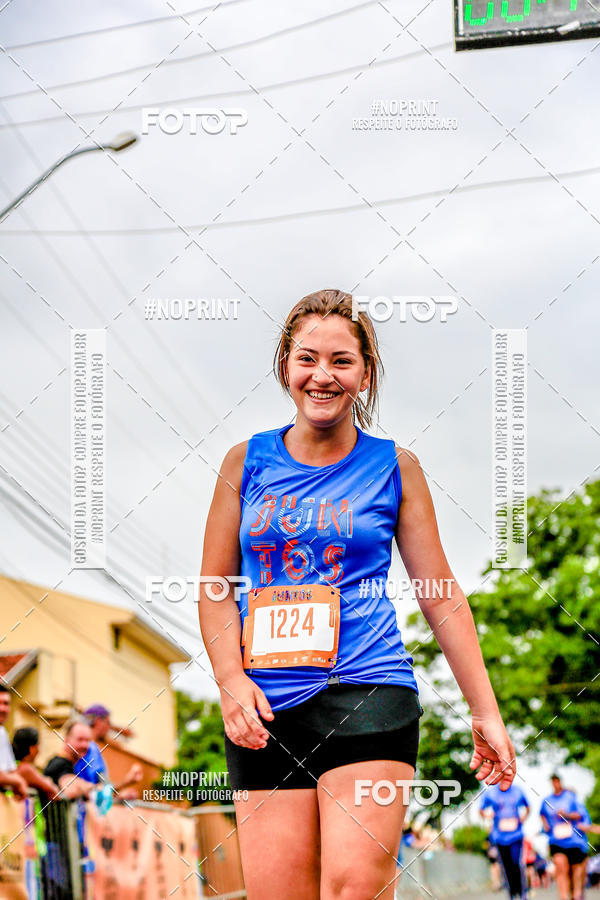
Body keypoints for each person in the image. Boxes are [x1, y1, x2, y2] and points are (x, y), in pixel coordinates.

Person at [198, 289, 517, 900]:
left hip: (370, 691)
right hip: (266, 707)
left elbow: (440, 592)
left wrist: (486, 710)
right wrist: (230, 679)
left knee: (353, 888)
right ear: (286, 366)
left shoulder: (397, 467)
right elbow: (215, 586)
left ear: (365, 375)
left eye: (342, 361)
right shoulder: (244, 463)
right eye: (307, 358)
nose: (323, 375)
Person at [74, 703, 143, 794]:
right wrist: (128, 780)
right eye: (108, 723)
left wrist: (120, 796)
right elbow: (104, 788)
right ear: (98, 721)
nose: (109, 728)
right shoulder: (92, 749)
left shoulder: (80, 747)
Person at [540, 773, 588, 900]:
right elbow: (542, 814)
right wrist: (545, 824)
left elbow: (580, 815)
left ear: (560, 782)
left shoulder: (570, 797)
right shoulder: (547, 800)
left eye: (557, 781)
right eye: (553, 781)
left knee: (574, 874)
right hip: (556, 840)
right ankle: (563, 897)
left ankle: (576, 895)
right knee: (561, 867)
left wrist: (566, 814)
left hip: (574, 841)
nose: (555, 784)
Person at [480, 782, 530, 899]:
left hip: (516, 835)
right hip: (499, 836)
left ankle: (522, 891)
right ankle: (512, 892)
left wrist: (523, 818)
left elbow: (527, 807)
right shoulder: (491, 793)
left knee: (516, 862)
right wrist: (488, 816)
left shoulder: (517, 790)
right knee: (506, 865)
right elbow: (481, 810)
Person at [12, 726, 60, 800]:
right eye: (38, 745)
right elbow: (53, 790)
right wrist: (48, 781)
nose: (39, 750)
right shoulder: (26, 769)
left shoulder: (13, 766)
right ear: (32, 748)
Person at [0, 684, 28, 799]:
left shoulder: (2, 732)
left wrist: (16, 780)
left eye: (6, 703)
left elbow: (11, 771)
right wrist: (19, 782)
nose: (2, 709)